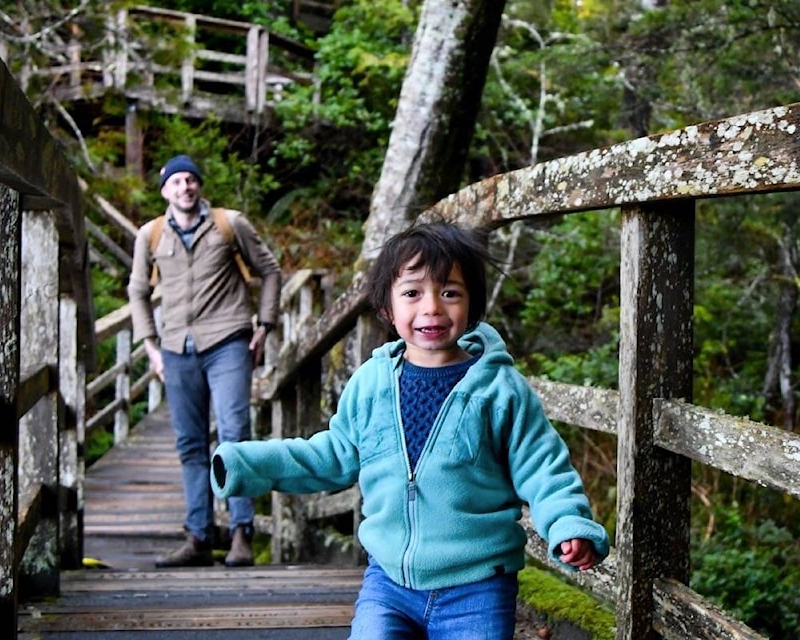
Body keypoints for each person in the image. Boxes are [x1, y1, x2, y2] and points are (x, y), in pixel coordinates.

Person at [210, 221, 608, 637]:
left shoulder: (500, 389)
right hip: (389, 582)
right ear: (387, 307)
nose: (432, 307)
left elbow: (542, 466)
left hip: (477, 585)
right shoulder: (371, 383)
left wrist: (567, 523)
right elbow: (332, 454)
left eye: (450, 292)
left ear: (472, 304)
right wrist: (247, 463)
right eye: (412, 293)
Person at [128, 154, 281, 568]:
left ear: (200, 186)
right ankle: (197, 538)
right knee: (190, 443)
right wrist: (150, 345)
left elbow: (270, 270)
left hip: (228, 339)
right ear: (164, 190)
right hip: (177, 348)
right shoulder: (151, 234)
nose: (185, 188)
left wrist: (265, 324)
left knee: (233, 434)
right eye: (176, 182)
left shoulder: (230, 223)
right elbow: (138, 291)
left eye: (190, 180)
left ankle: (240, 534)